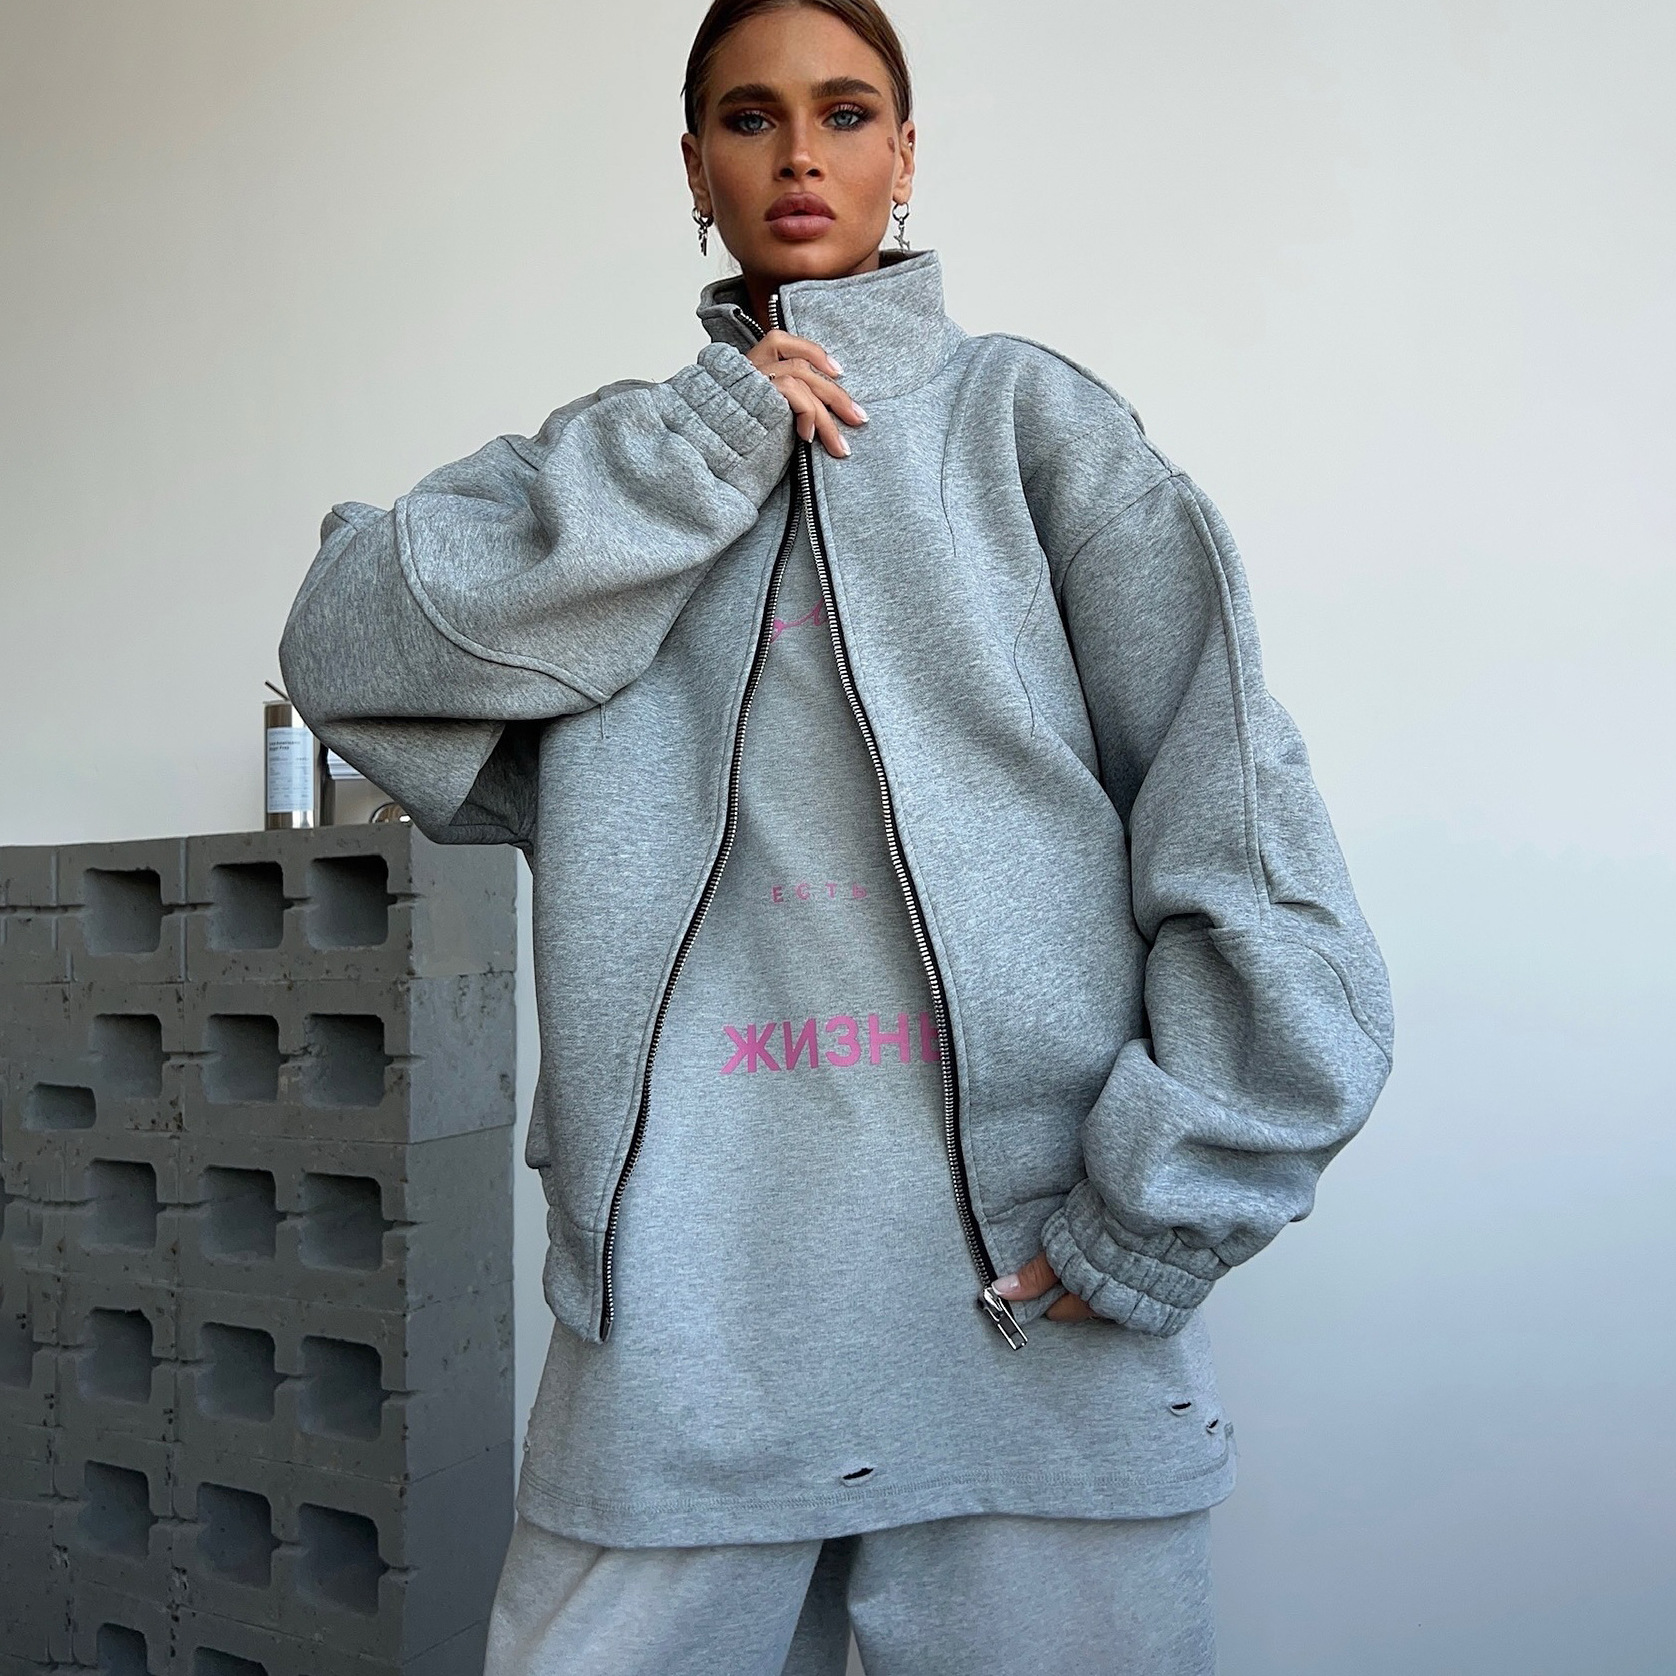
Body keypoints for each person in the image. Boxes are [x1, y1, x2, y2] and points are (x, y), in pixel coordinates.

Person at [278, 1, 1393, 1670]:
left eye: (848, 111)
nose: (800, 153)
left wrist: (1158, 1213)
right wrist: (696, 449)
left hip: (1032, 1316)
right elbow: (347, 645)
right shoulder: (624, 470)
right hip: (686, 1325)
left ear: (906, 151)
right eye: (750, 117)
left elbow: (1238, 824)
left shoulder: (1033, 431)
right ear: (693, 169)